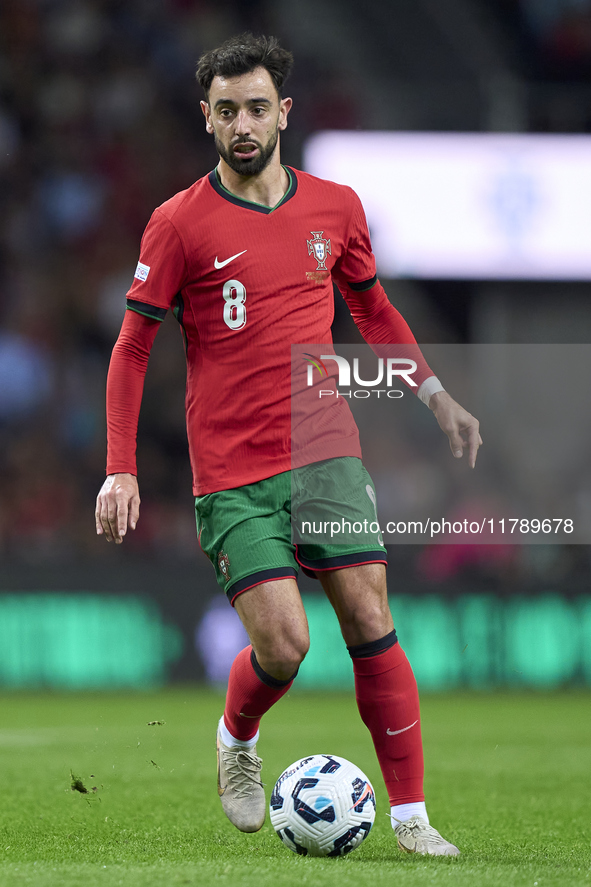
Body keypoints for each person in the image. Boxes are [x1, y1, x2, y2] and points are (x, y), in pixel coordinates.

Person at [95, 33, 481, 856]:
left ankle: (410, 817)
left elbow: (373, 310)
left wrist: (434, 393)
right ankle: (236, 737)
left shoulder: (336, 207)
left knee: (369, 615)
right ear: (206, 117)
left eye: (257, 107)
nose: (243, 123)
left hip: (324, 446)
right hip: (231, 471)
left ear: (284, 112)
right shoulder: (177, 223)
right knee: (285, 644)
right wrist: (119, 468)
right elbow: (132, 348)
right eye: (226, 109)